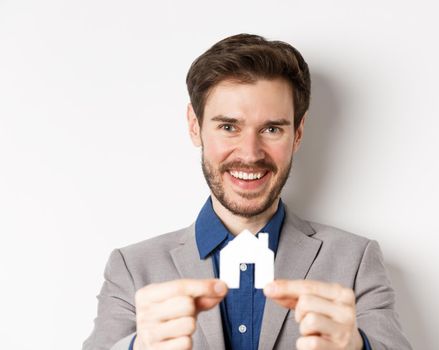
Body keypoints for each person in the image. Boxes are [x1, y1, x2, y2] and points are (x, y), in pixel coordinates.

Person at [83, 33, 412, 350]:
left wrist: (357, 346)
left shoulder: (355, 259)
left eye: (271, 129)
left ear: (297, 133)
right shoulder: (132, 267)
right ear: (195, 126)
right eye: (228, 127)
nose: (250, 153)